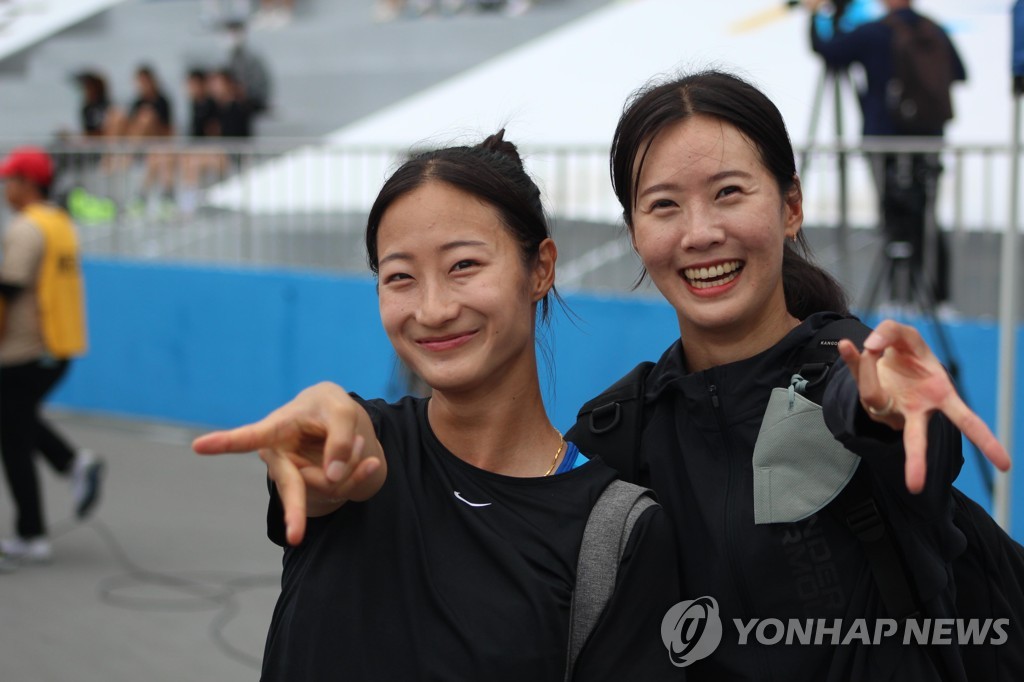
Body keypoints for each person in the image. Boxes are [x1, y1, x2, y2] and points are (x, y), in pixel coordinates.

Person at [216, 70, 1011, 681]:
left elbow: (880, 425)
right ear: (634, 230)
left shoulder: (847, 376)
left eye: (730, 193)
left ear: (790, 206)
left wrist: (890, 408)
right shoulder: (620, 427)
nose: (700, 233)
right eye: (664, 205)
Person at [192, 132, 681, 680]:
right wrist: (325, 441)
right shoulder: (360, 450)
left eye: (464, 265)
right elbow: (337, 444)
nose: (432, 309)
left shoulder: (618, 534)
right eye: (399, 277)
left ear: (540, 268)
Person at [809, 0, 967, 309]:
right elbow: (960, 72)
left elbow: (828, 50)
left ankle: (900, 296)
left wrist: (815, 14)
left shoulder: (874, 33)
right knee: (924, 216)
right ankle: (937, 298)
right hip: (929, 138)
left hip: (884, 139)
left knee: (894, 216)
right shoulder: (933, 30)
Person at [0, 147, 104, 565]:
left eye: (10, 180)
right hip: (56, 347)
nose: (6, 188)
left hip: (24, 351)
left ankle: (31, 534)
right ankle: (73, 461)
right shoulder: (60, 222)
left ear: (27, 184)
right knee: (16, 420)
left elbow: (6, 292)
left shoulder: (26, 229)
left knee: (13, 439)